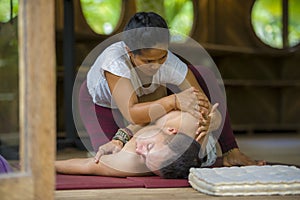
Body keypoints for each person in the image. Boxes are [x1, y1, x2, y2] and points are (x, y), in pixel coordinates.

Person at [80, 11, 264, 168]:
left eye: (162, 57)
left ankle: (231, 151)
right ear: (129, 52)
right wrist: (174, 101)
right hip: (101, 103)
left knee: (203, 74)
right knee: (111, 162)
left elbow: (202, 104)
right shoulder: (115, 62)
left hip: (149, 97)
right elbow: (132, 114)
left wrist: (209, 119)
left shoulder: (170, 63)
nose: (157, 66)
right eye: (148, 61)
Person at [56, 105, 222, 178]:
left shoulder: (131, 161)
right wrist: (212, 120)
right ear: (170, 130)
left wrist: (47, 165)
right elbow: (215, 118)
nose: (140, 150)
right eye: (149, 147)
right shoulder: (186, 122)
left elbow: (88, 165)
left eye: (146, 160)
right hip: (200, 140)